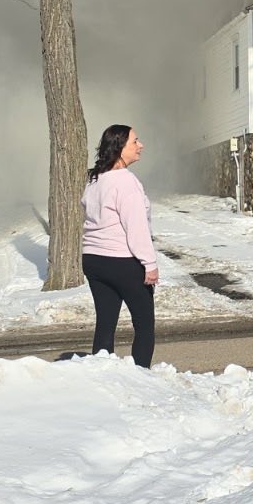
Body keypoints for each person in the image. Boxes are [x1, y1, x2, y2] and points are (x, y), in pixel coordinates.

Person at [81, 124, 159, 369]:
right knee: (144, 324)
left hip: (94, 260)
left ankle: (104, 379)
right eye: (135, 142)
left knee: (105, 322)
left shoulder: (95, 179)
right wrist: (150, 263)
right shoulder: (126, 182)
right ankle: (141, 379)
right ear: (119, 147)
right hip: (122, 261)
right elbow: (136, 227)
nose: (141, 145)